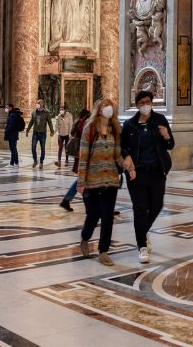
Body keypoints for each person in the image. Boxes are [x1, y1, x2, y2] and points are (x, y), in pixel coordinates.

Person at [119, 90, 174, 265]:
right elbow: (122, 147)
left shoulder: (160, 120)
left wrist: (166, 136)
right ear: (137, 105)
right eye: (142, 102)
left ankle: (143, 231)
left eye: (148, 101)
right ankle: (142, 246)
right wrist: (127, 157)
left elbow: (170, 144)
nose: (146, 104)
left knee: (157, 205)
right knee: (140, 209)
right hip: (138, 173)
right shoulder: (129, 125)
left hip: (157, 171)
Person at [76, 99, 126, 266]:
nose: (108, 109)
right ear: (99, 109)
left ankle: (103, 251)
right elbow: (83, 157)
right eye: (105, 106)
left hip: (111, 180)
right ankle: (85, 238)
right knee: (93, 214)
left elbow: (117, 155)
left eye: (110, 106)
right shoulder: (90, 129)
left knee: (108, 217)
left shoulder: (115, 130)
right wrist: (81, 182)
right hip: (92, 180)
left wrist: (128, 166)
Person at [59, 109, 91, 211]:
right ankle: (90, 207)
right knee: (84, 180)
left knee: (83, 180)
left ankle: (67, 200)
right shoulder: (86, 122)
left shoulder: (79, 122)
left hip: (81, 154)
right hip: (84, 154)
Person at [28, 99, 52, 169]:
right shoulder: (34, 112)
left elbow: (50, 122)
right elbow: (31, 122)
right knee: (33, 147)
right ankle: (35, 161)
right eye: (37, 103)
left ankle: (41, 162)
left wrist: (52, 131)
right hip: (35, 133)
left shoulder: (46, 113)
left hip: (43, 133)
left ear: (42, 104)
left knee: (43, 149)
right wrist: (27, 130)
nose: (37, 104)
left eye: (39, 103)